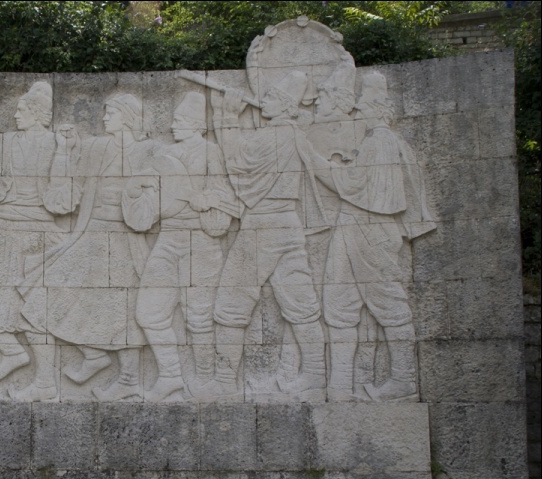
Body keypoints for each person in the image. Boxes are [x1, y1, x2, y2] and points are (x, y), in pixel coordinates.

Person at [320, 71, 436, 401]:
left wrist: (319, 163)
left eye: (364, 107)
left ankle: (404, 381)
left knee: (388, 304)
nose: (359, 113)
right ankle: (341, 383)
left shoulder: (380, 143)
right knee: (340, 303)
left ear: (378, 108)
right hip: (353, 228)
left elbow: (353, 186)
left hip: (371, 231)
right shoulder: (378, 144)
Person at [211, 71, 327, 400]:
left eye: (274, 96)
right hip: (288, 225)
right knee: (301, 306)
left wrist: (227, 117)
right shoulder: (296, 136)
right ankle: (317, 379)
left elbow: (238, 160)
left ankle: (223, 383)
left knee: (231, 303)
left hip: (263, 225)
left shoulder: (275, 135)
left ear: (287, 106)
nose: (266, 100)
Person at [43, 94, 163, 401]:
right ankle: (94, 354)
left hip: (126, 236)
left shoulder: (149, 149)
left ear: (127, 116)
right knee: (57, 289)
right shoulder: (97, 147)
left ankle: (129, 379)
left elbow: (160, 191)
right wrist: (65, 150)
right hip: (92, 232)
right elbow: (73, 183)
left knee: (124, 309)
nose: (104, 118)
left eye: (110, 113)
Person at [0, 81, 77, 401]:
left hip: (40, 230)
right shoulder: (6, 142)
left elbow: (63, 197)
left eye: (21, 110)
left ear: (38, 114)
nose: (15, 115)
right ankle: (9, 355)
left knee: (35, 308)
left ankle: (44, 382)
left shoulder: (58, 143)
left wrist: (66, 152)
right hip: (4, 228)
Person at [136, 92, 238, 400]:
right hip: (168, 238)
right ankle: (170, 376)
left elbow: (225, 194)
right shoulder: (163, 154)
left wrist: (208, 198)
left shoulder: (211, 152)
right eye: (174, 120)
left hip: (201, 241)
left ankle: (204, 379)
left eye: (180, 121)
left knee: (198, 317)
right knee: (149, 313)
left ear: (197, 125)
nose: (173, 125)